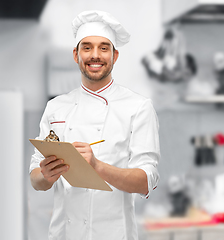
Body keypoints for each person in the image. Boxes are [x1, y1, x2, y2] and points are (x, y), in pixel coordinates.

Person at [30, 10, 160, 240]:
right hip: (65, 234)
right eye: (87, 47)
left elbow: (146, 181)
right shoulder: (56, 107)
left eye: (103, 47)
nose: (95, 55)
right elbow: (35, 179)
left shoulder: (138, 107)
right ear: (76, 54)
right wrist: (46, 175)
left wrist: (97, 166)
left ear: (115, 55)